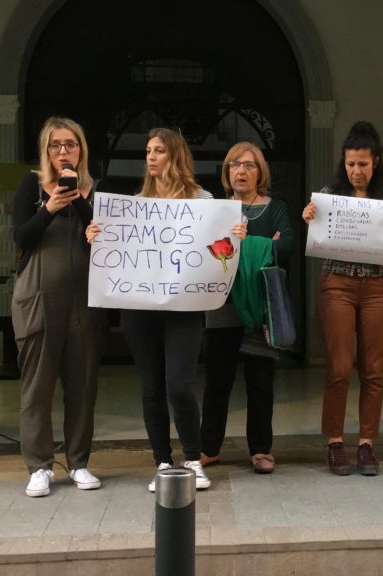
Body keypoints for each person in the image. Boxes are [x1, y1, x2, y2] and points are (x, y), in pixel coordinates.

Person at [86, 128, 246, 492]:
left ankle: (192, 458)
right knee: (151, 387)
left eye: (159, 150)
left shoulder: (203, 200)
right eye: (148, 151)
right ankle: (161, 461)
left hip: (185, 308)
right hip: (139, 308)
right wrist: (98, 235)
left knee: (180, 385)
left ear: (175, 156)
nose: (151, 157)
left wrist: (236, 233)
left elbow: (217, 245)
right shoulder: (137, 203)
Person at [301, 121, 383, 476]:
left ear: (376, 162)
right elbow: (316, 232)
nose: (356, 171)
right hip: (336, 285)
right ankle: (335, 442)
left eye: (363, 164)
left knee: (373, 370)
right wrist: (309, 216)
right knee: (339, 368)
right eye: (351, 164)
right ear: (344, 162)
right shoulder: (329, 195)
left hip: (376, 288)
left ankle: (367, 444)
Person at [11, 116, 105, 497]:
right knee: (38, 385)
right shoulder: (30, 185)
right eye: (56, 145)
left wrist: (81, 203)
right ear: (46, 150)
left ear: (81, 149)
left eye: (70, 144)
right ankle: (39, 466)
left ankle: (79, 462)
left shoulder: (97, 191)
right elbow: (21, 237)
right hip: (38, 298)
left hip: (86, 300)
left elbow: (109, 240)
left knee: (82, 383)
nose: (63, 151)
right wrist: (48, 207)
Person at [200, 142, 294, 474]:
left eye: (249, 165)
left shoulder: (276, 207)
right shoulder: (215, 209)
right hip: (223, 305)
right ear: (226, 172)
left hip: (262, 308)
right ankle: (208, 447)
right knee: (217, 381)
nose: (241, 170)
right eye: (234, 164)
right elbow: (207, 251)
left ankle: (261, 449)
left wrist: (247, 239)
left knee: (261, 382)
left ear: (261, 172)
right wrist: (265, 241)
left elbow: (288, 246)